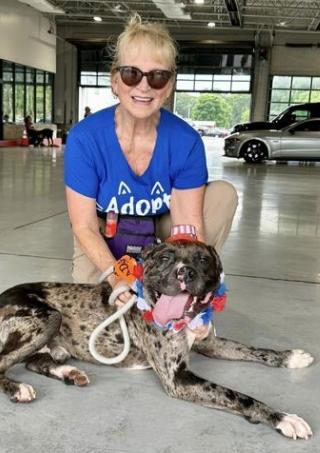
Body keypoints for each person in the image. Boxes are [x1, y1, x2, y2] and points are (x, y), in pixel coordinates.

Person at [64, 14, 238, 314]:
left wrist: (182, 285)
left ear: (169, 86)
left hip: (160, 227)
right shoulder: (85, 138)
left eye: (157, 76)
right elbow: (83, 225)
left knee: (223, 194)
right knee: (94, 304)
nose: (144, 87)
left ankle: (184, 289)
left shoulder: (185, 141)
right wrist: (116, 276)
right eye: (132, 74)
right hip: (106, 227)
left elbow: (189, 228)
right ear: (115, 81)